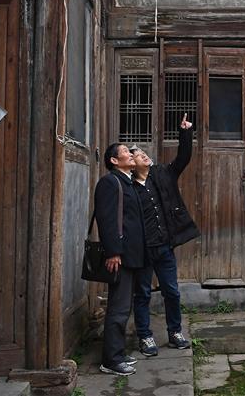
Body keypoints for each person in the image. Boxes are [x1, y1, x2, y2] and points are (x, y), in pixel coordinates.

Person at [128, 112, 200, 357]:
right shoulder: (128, 187)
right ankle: (145, 336)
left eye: (143, 153)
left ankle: (175, 332)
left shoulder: (162, 174)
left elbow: (183, 158)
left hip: (164, 247)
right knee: (142, 294)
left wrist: (186, 132)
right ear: (131, 164)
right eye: (138, 155)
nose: (144, 155)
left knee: (172, 291)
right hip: (143, 250)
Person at [93, 142, 148, 376]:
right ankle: (111, 360)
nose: (131, 154)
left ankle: (117, 352)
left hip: (132, 255)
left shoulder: (128, 182)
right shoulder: (109, 182)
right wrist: (113, 251)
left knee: (124, 307)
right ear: (114, 161)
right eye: (125, 151)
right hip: (120, 256)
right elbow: (106, 219)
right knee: (118, 307)